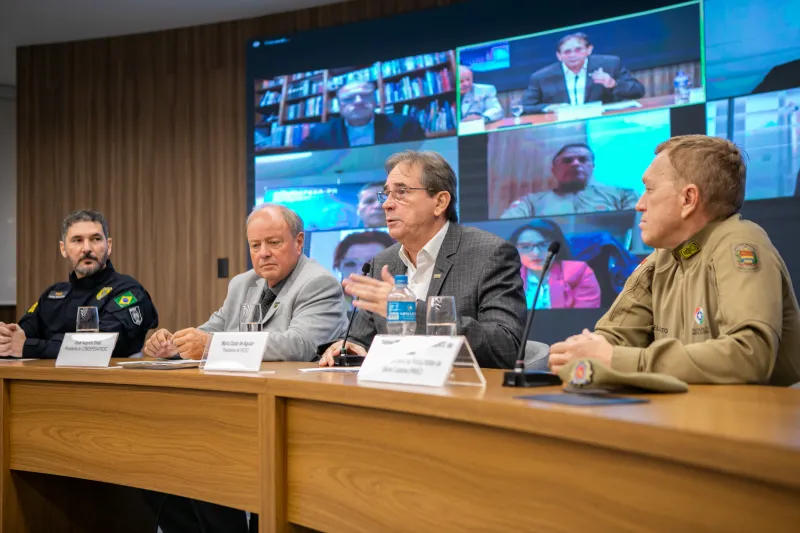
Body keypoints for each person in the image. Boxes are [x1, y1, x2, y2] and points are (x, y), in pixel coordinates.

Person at [142, 204, 348, 533]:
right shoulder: (242, 283)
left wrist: (210, 344)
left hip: (288, 417)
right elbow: (211, 330)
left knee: (207, 460)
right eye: (255, 245)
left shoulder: (318, 283)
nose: (263, 253)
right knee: (169, 462)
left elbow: (300, 345)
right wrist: (173, 346)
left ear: (299, 242)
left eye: (273, 243)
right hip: (234, 409)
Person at [548, 135, 800, 386]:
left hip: (755, 409)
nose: (639, 205)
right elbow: (613, 338)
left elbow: (748, 355)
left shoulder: (739, 243)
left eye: (649, 190)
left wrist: (616, 359)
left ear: (688, 199)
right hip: (691, 407)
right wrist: (577, 354)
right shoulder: (663, 257)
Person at [319, 149, 527, 369]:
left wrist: (410, 312)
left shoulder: (489, 254)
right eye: (386, 194)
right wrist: (349, 346)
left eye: (401, 192)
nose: (386, 204)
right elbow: (360, 339)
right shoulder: (383, 263)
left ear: (440, 202)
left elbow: (506, 347)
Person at [0, 210, 158, 359]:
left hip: (108, 379)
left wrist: (28, 346)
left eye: (96, 239)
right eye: (77, 240)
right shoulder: (52, 295)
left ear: (108, 246)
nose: (87, 248)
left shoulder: (128, 291)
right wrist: (6, 338)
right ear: (63, 249)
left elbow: (98, 346)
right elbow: (20, 336)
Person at [500, 143, 638, 218]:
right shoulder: (530, 203)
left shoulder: (623, 196)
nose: (575, 164)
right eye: (567, 161)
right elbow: (506, 226)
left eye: (583, 160)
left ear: (593, 166)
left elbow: (639, 228)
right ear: (554, 169)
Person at [521, 32, 645, 114]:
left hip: (602, 123)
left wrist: (613, 84)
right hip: (561, 128)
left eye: (578, 50)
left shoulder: (610, 64)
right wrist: (549, 108)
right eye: (567, 52)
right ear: (559, 56)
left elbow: (638, 91)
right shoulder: (542, 77)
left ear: (589, 50)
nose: (573, 55)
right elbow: (524, 107)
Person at [300, 81, 426, 150]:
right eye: (349, 98)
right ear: (339, 106)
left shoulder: (406, 125)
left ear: (375, 101)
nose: (358, 101)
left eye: (365, 95)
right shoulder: (319, 133)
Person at [509, 220, 601, 309]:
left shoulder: (578, 272)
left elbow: (584, 315)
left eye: (543, 245)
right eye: (525, 247)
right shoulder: (509, 276)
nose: (536, 253)